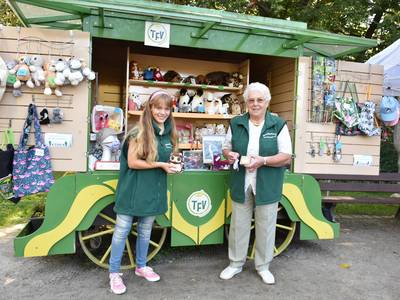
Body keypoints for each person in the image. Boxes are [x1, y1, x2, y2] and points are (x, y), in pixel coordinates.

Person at [219, 82, 292, 285]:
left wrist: (264, 161)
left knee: (266, 226)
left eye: (260, 100)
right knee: (238, 225)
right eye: (251, 100)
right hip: (241, 182)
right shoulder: (236, 123)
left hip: (267, 183)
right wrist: (229, 154)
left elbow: (286, 156)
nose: (255, 104)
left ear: (267, 102)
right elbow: (226, 148)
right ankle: (235, 264)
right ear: (246, 103)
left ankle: (263, 267)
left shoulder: (278, 125)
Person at [108, 90, 179, 295]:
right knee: (121, 232)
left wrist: (173, 164)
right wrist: (161, 165)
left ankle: (141, 266)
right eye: (158, 107)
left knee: (146, 231)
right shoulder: (137, 132)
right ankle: (114, 273)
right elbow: (132, 162)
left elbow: (168, 156)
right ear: (150, 108)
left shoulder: (168, 133)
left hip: (153, 191)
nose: (162, 112)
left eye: (167, 108)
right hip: (133, 190)